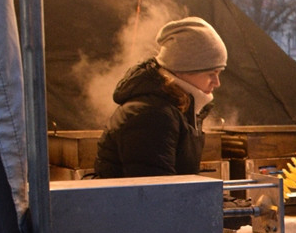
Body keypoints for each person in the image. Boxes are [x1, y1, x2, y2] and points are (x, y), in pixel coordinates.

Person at [95, 17, 227, 178]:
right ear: (182, 70)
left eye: (219, 73)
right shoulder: (151, 115)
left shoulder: (179, 109)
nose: (217, 82)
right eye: (211, 74)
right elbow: (157, 193)